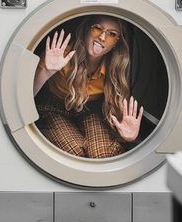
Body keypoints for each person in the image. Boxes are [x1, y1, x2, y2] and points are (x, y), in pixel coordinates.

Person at [33, 16, 144, 158]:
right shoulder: (59, 55)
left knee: (103, 154)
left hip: (92, 112)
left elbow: (116, 113)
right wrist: (47, 71)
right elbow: (27, 96)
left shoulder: (115, 66)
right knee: (75, 152)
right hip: (53, 109)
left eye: (112, 34)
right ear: (86, 30)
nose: (103, 37)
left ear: (116, 42)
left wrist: (130, 139)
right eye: (97, 28)